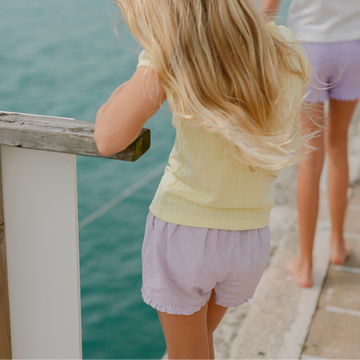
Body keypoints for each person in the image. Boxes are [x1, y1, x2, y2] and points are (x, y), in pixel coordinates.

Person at [94, 1, 310, 359]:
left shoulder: (176, 49)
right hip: (249, 237)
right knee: (199, 346)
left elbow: (109, 137)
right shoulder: (286, 46)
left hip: (186, 235)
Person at [261, 0, 360, 288]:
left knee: (310, 156)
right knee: (338, 144)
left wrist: (243, 43)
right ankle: (338, 245)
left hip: (310, 48)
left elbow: (269, 6)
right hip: (353, 45)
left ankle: (305, 265)